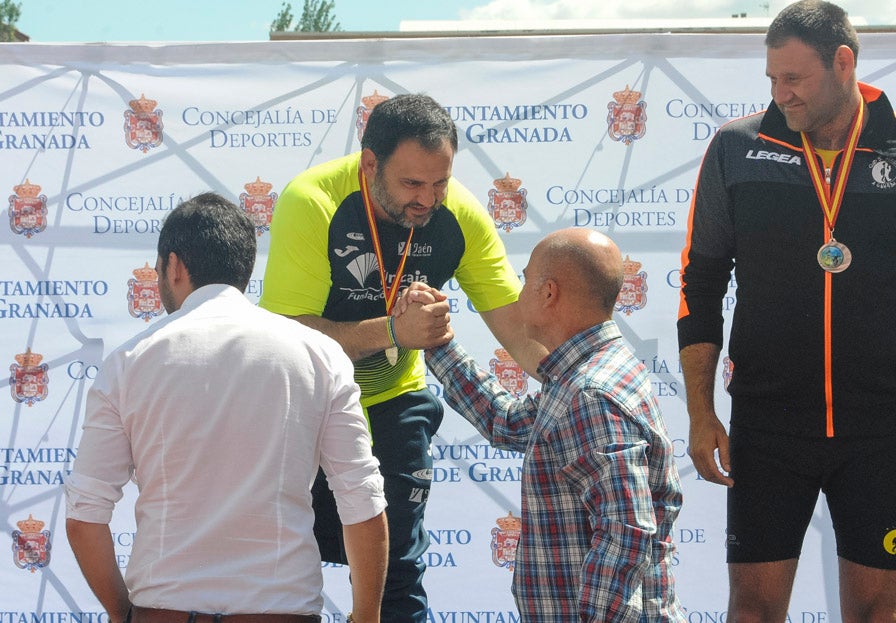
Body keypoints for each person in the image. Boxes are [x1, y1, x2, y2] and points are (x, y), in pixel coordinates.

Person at [678, 0, 896, 622]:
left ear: (843, 63)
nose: (781, 93)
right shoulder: (736, 151)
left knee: (876, 612)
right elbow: (700, 285)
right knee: (754, 610)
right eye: (772, 79)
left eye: (795, 78)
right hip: (768, 426)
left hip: (879, 427)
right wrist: (701, 411)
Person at [259, 93, 545, 622]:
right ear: (370, 164)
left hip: (394, 402)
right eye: (412, 184)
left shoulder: (457, 214)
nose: (428, 200)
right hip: (306, 404)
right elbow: (285, 336)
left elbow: (522, 333)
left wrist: (582, 381)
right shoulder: (313, 200)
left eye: (440, 182)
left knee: (398, 575)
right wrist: (394, 330)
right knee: (280, 571)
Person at [64, 193, 389, 623]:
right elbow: (362, 499)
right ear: (245, 268)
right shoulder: (321, 356)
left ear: (174, 266)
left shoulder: (128, 363)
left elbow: (84, 514)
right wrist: (365, 618)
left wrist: (125, 615)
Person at [412, 227, 686, 622]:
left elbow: (626, 528)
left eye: (524, 281)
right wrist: (437, 341)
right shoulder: (588, 375)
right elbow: (506, 421)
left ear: (548, 293)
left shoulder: (590, 392)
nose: (518, 294)